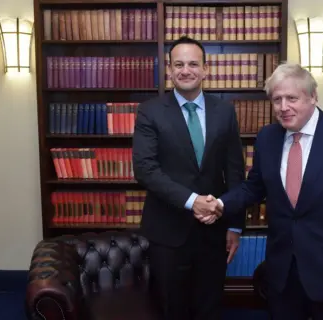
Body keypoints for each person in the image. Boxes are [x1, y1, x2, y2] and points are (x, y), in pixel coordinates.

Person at [200, 62, 323, 319]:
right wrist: (221, 204)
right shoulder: (268, 137)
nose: (283, 107)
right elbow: (254, 186)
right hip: (283, 274)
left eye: (292, 98)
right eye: (277, 99)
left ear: (313, 96)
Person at [132, 35, 245, 320]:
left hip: (214, 231)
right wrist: (192, 201)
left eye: (193, 64)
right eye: (178, 64)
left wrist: (235, 226)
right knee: (171, 308)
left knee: (210, 306)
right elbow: (145, 169)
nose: (186, 70)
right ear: (169, 70)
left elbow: (234, 171)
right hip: (167, 232)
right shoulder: (150, 112)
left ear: (206, 70)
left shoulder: (225, 111)